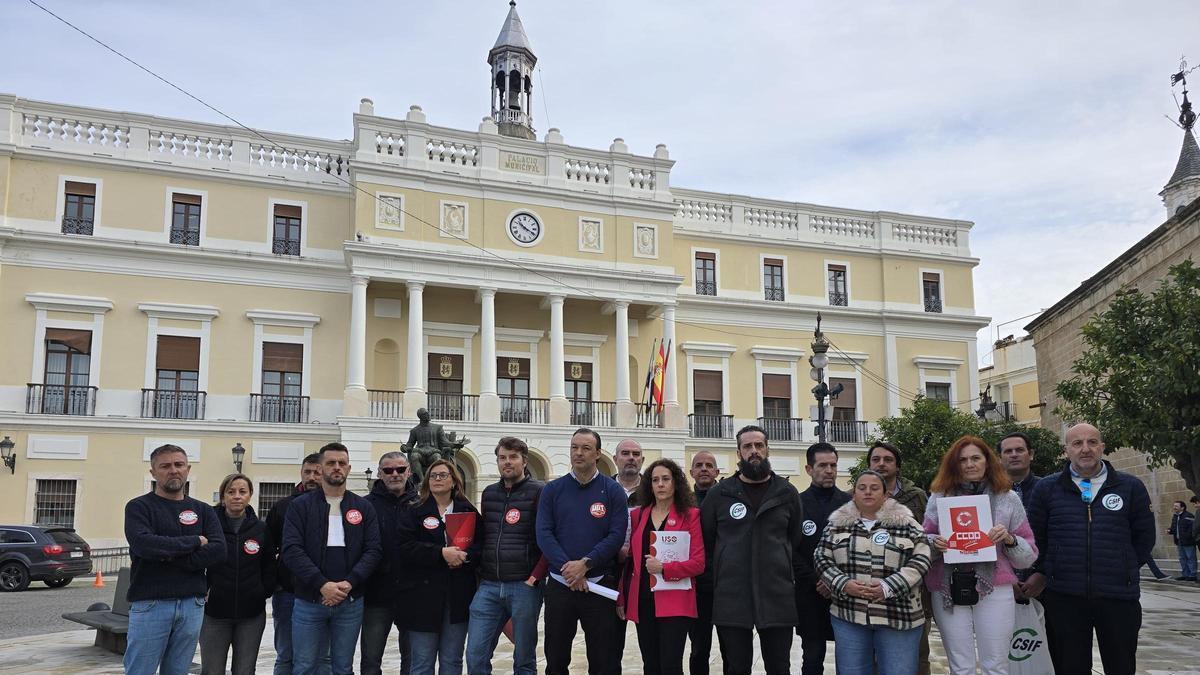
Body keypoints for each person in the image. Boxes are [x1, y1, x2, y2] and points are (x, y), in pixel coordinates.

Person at [1025, 423, 1155, 675]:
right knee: (1069, 667)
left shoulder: (1130, 487)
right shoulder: (1047, 489)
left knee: (1121, 666)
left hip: (1118, 597)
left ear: (1102, 447)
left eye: (1092, 442)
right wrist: (1050, 569)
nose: (1085, 449)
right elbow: (1036, 537)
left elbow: (1144, 538)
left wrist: (1123, 566)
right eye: (1077, 443)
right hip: (1064, 597)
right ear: (1066, 451)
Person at [922, 436, 1037, 675]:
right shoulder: (939, 497)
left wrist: (1009, 539)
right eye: (962, 460)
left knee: (996, 665)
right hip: (948, 586)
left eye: (976, 458)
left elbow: (1028, 556)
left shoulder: (1007, 498)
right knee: (960, 666)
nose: (969, 464)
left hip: (995, 586)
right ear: (954, 465)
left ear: (988, 461)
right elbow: (923, 542)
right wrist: (936, 543)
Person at [700, 425, 807, 675]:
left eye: (759, 445)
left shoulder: (787, 492)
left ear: (767, 449)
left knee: (779, 667)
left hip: (777, 595)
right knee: (736, 667)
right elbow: (707, 541)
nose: (754, 451)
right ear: (738, 453)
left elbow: (795, 537)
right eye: (747, 446)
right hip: (732, 597)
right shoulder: (719, 494)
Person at [813, 470, 931, 675]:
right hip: (849, 614)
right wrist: (842, 584)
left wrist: (888, 586)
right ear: (854, 494)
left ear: (886, 495)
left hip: (898, 616)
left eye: (874, 488)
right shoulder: (836, 525)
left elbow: (922, 558)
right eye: (862, 488)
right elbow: (821, 557)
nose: (868, 492)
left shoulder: (908, 524)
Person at [123, 444, 226, 675]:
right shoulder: (139, 507)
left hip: (192, 604)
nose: (173, 470)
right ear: (153, 472)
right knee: (140, 671)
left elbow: (219, 550)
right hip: (151, 605)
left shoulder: (204, 510)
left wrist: (168, 556)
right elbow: (144, 545)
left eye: (179, 465)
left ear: (187, 469)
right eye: (165, 466)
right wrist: (195, 542)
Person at [282, 442, 383, 675]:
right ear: (321, 468)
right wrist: (322, 585)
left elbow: (373, 550)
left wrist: (349, 583)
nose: (336, 468)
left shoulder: (363, 507)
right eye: (330, 463)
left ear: (348, 468)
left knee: (343, 667)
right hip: (309, 601)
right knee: (305, 666)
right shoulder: (300, 506)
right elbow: (292, 550)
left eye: (341, 463)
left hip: (350, 602)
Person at [536, 428, 630, 675]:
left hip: (599, 586)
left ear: (598, 453)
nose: (578, 453)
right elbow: (544, 534)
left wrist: (585, 565)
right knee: (555, 661)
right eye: (574, 447)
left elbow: (616, 536)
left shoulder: (613, 491)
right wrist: (570, 570)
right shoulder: (553, 490)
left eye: (586, 448)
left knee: (603, 662)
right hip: (560, 586)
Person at [465, 437, 548, 675]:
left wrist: (535, 577)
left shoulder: (540, 491)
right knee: (475, 655)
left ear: (524, 461)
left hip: (524, 586)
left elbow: (548, 538)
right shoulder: (489, 493)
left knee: (524, 659)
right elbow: (484, 535)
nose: (507, 462)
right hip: (489, 586)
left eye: (513, 457)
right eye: (502, 458)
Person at [617, 459, 705, 675]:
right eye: (655, 480)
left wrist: (664, 567)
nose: (660, 484)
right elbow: (630, 562)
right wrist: (622, 597)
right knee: (651, 665)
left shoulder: (691, 515)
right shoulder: (637, 515)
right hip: (643, 600)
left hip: (676, 600)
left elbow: (698, 563)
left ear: (676, 482)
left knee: (671, 666)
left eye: (666, 479)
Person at [397, 459, 482, 675]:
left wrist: (463, 556)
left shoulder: (468, 511)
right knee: (422, 663)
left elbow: (481, 546)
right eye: (433, 476)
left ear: (454, 481)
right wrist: (440, 553)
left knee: (452, 661)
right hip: (422, 598)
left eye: (443, 475)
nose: (437, 479)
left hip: (457, 597)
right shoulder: (414, 511)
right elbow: (405, 547)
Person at [200, 473, 276, 675]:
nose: (236, 496)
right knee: (212, 670)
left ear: (250, 495)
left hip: (251, 615)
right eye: (231, 492)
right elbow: (197, 560)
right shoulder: (209, 527)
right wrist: (204, 590)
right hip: (214, 614)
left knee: (244, 670)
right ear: (223, 496)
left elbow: (270, 565)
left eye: (242, 491)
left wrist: (262, 591)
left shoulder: (261, 529)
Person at [868, 440, 931, 675]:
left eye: (888, 460)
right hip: (871, 589)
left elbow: (929, 538)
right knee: (874, 654)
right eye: (876, 459)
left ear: (898, 465)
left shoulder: (917, 497)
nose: (882, 464)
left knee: (917, 654)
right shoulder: (855, 497)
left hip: (912, 590)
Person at [266, 453, 329, 675]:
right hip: (288, 592)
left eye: (317, 473)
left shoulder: (337, 506)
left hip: (325, 593)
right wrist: (274, 583)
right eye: (307, 472)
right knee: (286, 654)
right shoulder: (282, 507)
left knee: (323, 656)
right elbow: (268, 549)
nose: (311, 477)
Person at [795, 442, 850, 675]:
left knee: (848, 660)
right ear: (809, 469)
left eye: (833, 465)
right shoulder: (796, 503)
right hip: (810, 593)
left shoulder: (851, 505)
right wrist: (817, 580)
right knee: (812, 658)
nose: (829, 470)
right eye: (822, 465)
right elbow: (790, 549)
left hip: (845, 595)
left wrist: (835, 581)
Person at [362, 452, 417, 675]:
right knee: (370, 660)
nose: (395, 474)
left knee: (412, 661)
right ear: (379, 473)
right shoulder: (365, 506)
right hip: (377, 595)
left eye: (400, 469)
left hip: (412, 594)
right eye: (388, 470)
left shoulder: (421, 504)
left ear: (409, 472)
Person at [610, 438, 645, 672]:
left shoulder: (653, 490)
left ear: (642, 460)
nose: (630, 457)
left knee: (651, 645)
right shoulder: (603, 489)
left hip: (645, 574)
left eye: (635, 454)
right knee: (611, 646)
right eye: (625, 453)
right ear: (615, 459)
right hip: (611, 572)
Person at [686, 450, 720, 675]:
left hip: (726, 585)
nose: (704, 469)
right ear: (692, 472)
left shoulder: (729, 498)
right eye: (699, 465)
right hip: (696, 587)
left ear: (717, 471)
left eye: (709, 465)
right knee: (699, 648)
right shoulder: (683, 502)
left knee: (732, 648)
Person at [998, 432, 1039, 511]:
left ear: (1031, 454)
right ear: (1000, 458)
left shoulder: (1047, 489)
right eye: (1008, 451)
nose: (1014, 455)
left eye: (1019, 450)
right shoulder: (992, 492)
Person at [1168, 500, 1197, 581]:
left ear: (1182, 507)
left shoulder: (1189, 515)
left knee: (1190, 558)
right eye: (1174, 506)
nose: (1174, 507)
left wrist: (1187, 537)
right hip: (1179, 541)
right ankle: (1185, 574)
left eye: (1176, 506)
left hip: (1188, 541)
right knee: (1182, 559)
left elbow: (1192, 529)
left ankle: (1192, 575)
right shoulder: (1175, 516)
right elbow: (1174, 528)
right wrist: (1170, 530)